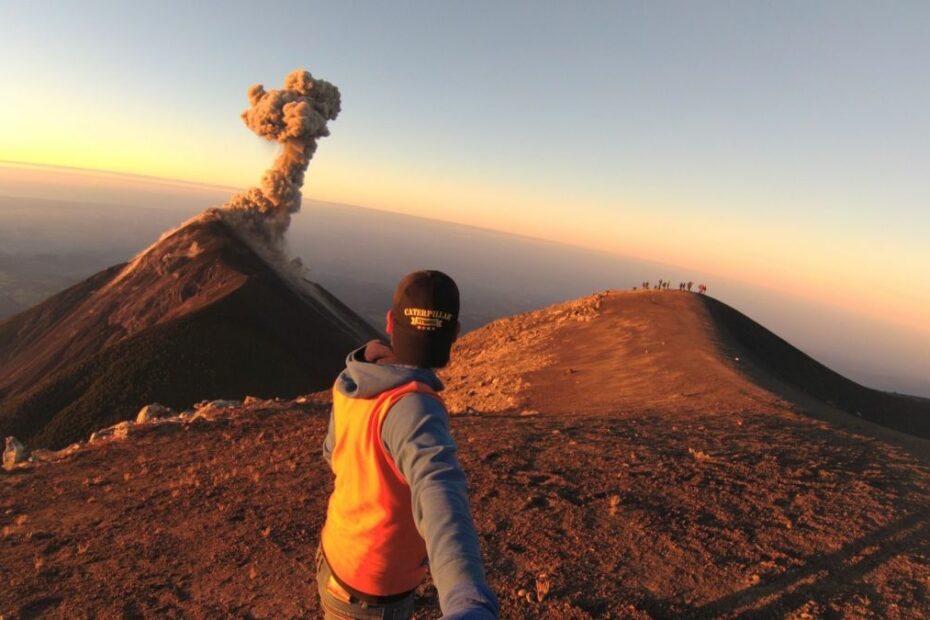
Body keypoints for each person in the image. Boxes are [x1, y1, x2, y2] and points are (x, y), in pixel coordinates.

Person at [318, 270, 499, 620]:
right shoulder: (415, 405)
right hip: (373, 592)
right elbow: (440, 495)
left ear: (390, 321)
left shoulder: (355, 378)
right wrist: (467, 601)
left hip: (338, 553)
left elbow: (333, 453)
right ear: (456, 333)